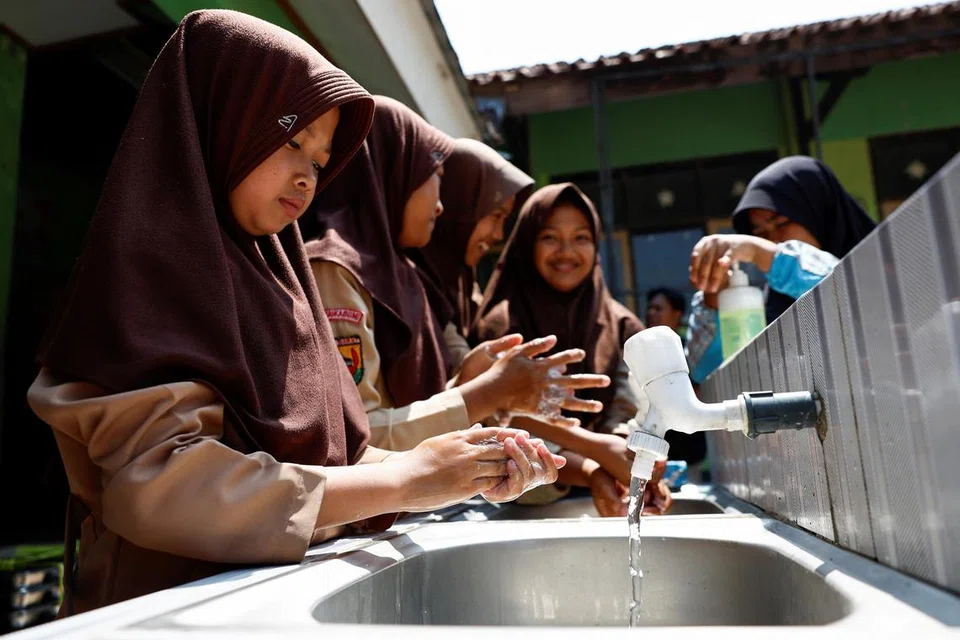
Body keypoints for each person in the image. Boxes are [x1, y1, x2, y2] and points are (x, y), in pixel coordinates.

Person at [26, 11, 560, 614]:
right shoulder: (150, 267)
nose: (309, 175)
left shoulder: (279, 274)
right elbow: (160, 486)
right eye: (291, 140)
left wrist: (461, 462)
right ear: (221, 122)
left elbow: (333, 456)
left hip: (275, 600)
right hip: (170, 611)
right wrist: (408, 479)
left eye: (322, 157)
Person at [302, 97, 610, 452]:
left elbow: (405, 412)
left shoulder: (401, 276)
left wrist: (467, 380)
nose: (440, 203)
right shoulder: (334, 273)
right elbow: (355, 437)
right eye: (434, 177)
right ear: (395, 174)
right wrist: (482, 394)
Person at [474, 183, 673, 516]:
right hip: (513, 503)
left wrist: (624, 461)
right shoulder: (501, 327)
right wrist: (596, 460)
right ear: (527, 244)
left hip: (607, 492)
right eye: (550, 237)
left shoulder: (622, 326)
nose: (566, 252)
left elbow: (629, 409)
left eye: (581, 238)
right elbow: (498, 417)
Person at [686, 156, 877, 383]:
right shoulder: (766, 307)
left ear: (818, 210)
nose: (773, 239)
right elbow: (706, 374)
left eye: (781, 223)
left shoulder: (880, 272)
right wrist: (716, 300)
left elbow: (853, 299)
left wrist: (760, 252)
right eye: (760, 234)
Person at [411, 138, 534, 338]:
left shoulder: (465, 286)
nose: (498, 235)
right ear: (459, 203)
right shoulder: (410, 289)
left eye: (505, 219)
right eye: (496, 215)